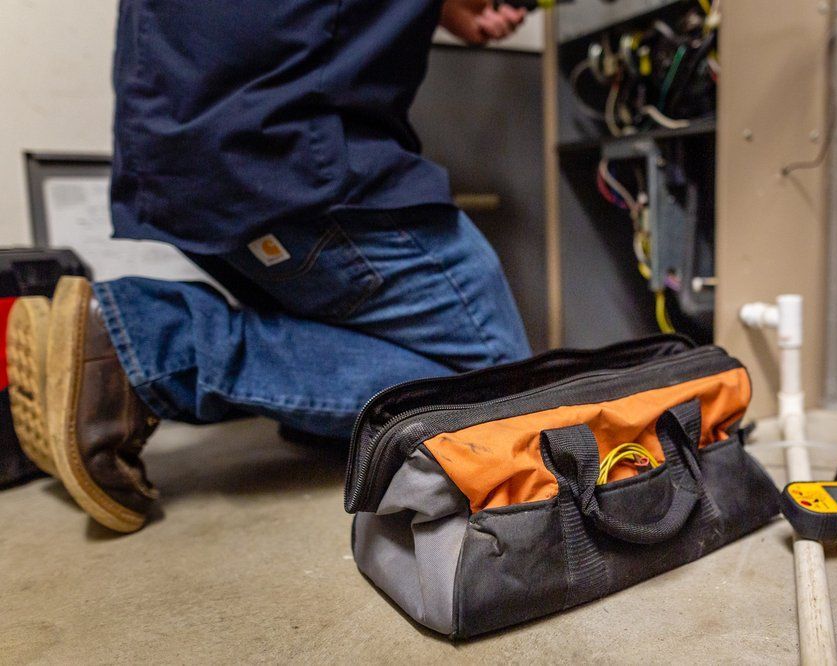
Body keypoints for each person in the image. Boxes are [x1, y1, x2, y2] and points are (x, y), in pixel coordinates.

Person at [6, 0, 532, 533]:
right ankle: (145, 348)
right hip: (291, 154)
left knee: (385, 335)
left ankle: (330, 424)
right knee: (499, 396)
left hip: (180, 146)